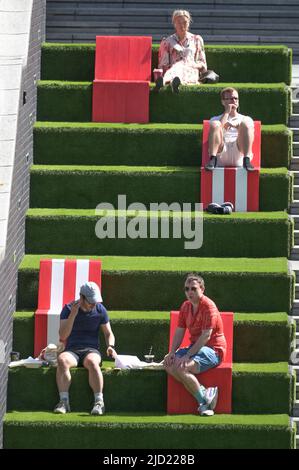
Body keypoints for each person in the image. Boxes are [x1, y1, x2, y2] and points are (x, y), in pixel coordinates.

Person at [164, 273, 227, 416]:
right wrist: (172, 352)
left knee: (182, 367)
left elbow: (206, 336)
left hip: (214, 350)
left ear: (202, 289)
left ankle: (202, 401)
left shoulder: (209, 306)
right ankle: (205, 397)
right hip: (196, 349)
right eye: (187, 289)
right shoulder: (185, 306)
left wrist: (188, 355)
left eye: (193, 289)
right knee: (168, 364)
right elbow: (179, 331)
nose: (189, 292)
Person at [53, 281, 116, 416]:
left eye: (96, 301)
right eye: (90, 301)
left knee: (93, 362)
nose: (94, 304)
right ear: (81, 298)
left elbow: (108, 333)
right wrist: (73, 315)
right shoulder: (68, 309)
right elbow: (63, 335)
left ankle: (99, 402)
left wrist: (110, 346)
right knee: (62, 360)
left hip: (91, 350)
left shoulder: (100, 309)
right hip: (72, 350)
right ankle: (64, 402)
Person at [155, 10, 207, 93]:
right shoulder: (167, 41)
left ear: (189, 23)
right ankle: (166, 82)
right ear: (174, 24)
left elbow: (203, 63)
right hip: (173, 70)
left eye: (185, 22)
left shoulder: (197, 40)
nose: (182, 25)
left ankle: (169, 82)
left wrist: (194, 65)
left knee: (180, 69)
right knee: (176, 68)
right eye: (179, 22)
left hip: (191, 70)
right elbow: (163, 64)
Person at [205, 87, 255, 171]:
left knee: (246, 123)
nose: (233, 101)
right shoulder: (215, 119)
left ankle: (247, 160)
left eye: (235, 98)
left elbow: (250, 137)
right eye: (230, 99)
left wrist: (239, 128)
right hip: (221, 152)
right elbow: (216, 130)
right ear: (223, 102)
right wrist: (227, 113)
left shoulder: (246, 118)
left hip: (239, 152)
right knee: (216, 124)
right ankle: (212, 159)